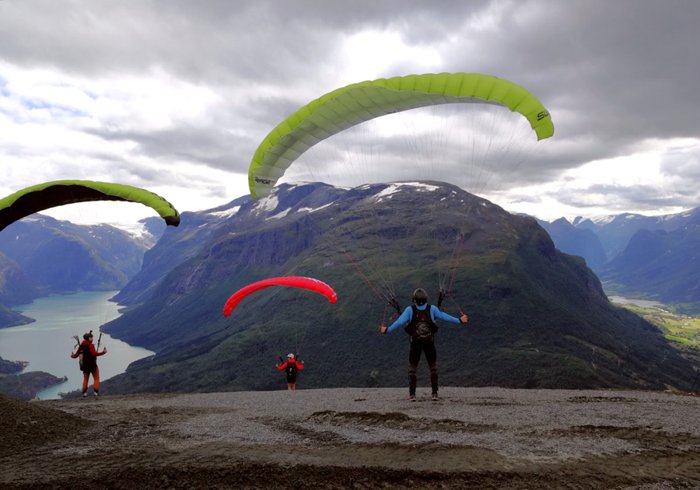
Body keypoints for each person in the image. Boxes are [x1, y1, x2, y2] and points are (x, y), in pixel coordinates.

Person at [379, 288, 468, 401]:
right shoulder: (432, 309)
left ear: (414, 300)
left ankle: (412, 395)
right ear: (426, 299)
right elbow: (445, 316)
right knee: (433, 367)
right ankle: (434, 394)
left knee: (412, 368)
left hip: (415, 343)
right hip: (429, 342)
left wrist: (387, 330)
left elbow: (400, 322)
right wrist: (460, 320)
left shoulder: (409, 310)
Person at [70, 330, 107, 397]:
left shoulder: (81, 346)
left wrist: (72, 355)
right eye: (91, 337)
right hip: (92, 365)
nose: (92, 339)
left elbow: (75, 356)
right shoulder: (91, 345)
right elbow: (94, 354)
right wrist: (103, 352)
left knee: (85, 379)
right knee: (96, 378)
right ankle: (96, 393)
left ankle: (84, 393)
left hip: (84, 366)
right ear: (88, 338)